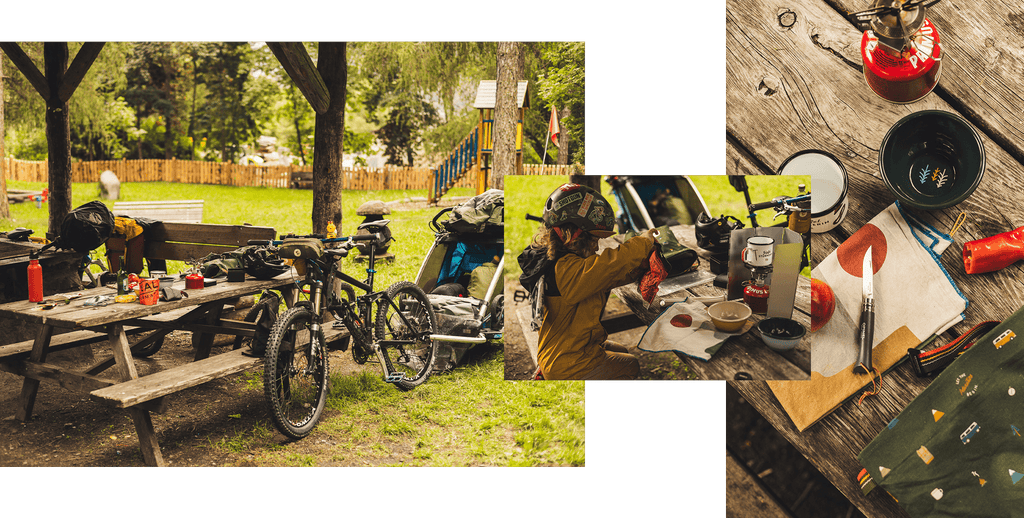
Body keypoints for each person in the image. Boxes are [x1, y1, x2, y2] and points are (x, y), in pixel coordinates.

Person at [522, 183, 658, 380]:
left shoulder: (559, 261)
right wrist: (643, 242)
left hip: (568, 345)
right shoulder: (568, 271)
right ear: (572, 234)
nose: (596, 248)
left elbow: (603, 276)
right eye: (593, 240)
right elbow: (608, 266)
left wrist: (639, 268)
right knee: (630, 365)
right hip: (566, 361)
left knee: (622, 350)